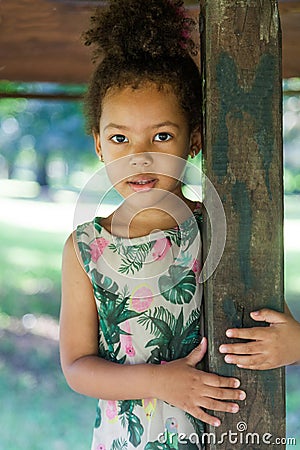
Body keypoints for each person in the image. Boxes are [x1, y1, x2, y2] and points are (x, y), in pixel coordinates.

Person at [59, 1, 300, 449]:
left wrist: (296, 342)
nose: (140, 155)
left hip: (231, 432)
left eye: (162, 136)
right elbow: (76, 367)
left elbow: (272, 319)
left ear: (195, 140)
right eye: (119, 138)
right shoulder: (84, 249)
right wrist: (158, 382)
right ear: (98, 145)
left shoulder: (220, 229)